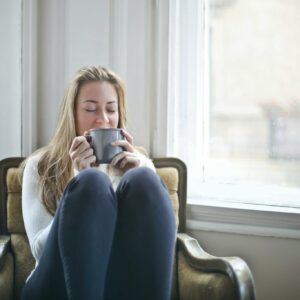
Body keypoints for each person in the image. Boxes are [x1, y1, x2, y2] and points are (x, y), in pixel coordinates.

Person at [21, 65, 176, 300]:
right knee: (91, 183)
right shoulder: (39, 166)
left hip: (118, 284)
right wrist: (77, 178)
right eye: (90, 109)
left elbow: (159, 247)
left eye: (111, 110)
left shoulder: (139, 165)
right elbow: (40, 251)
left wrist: (128, 179)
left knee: (144, 179)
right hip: (54, 283)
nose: (103, 120)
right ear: (72, 114)